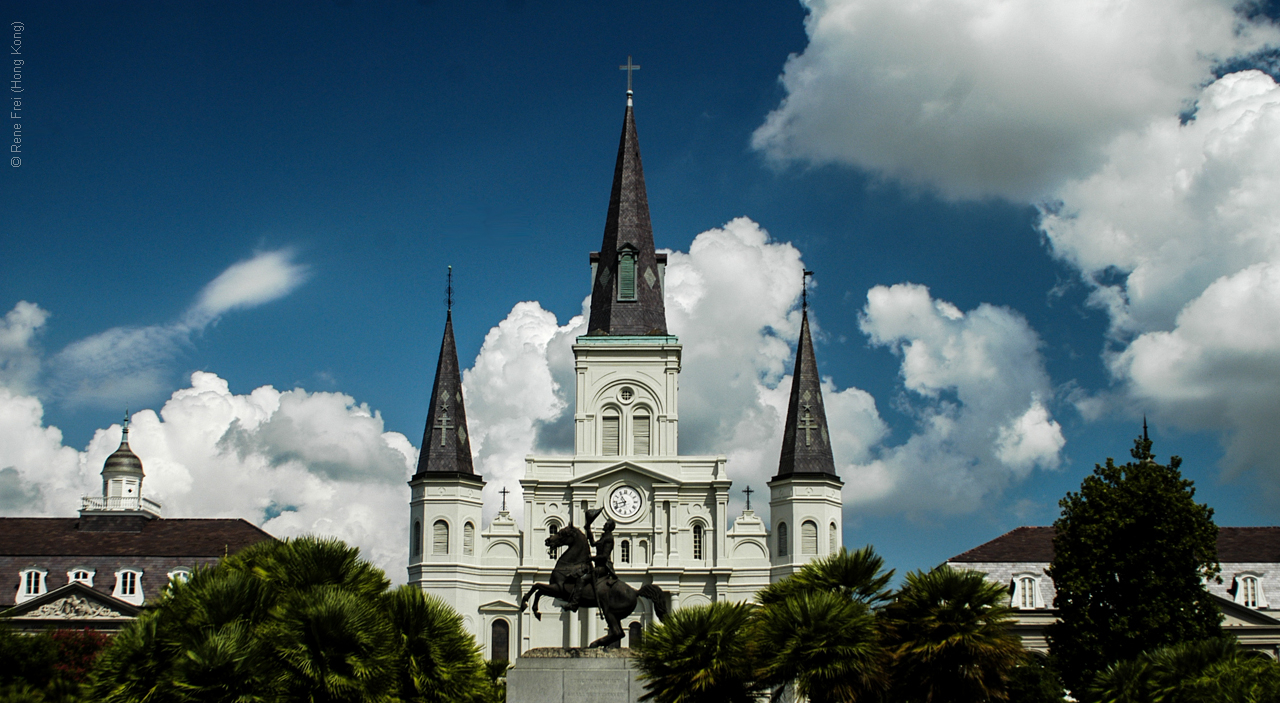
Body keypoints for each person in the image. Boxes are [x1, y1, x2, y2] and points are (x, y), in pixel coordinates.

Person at [566, 509, 617, 611]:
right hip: (597, 566)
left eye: (606, 524)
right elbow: (593, 543)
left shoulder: (609, 539)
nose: (604, 525)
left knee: (582, 579)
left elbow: (604, 556)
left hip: (603, 568)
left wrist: (592, 558)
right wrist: (588, 529)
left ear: (610, 527)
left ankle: (574, 604)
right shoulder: (604, 537)